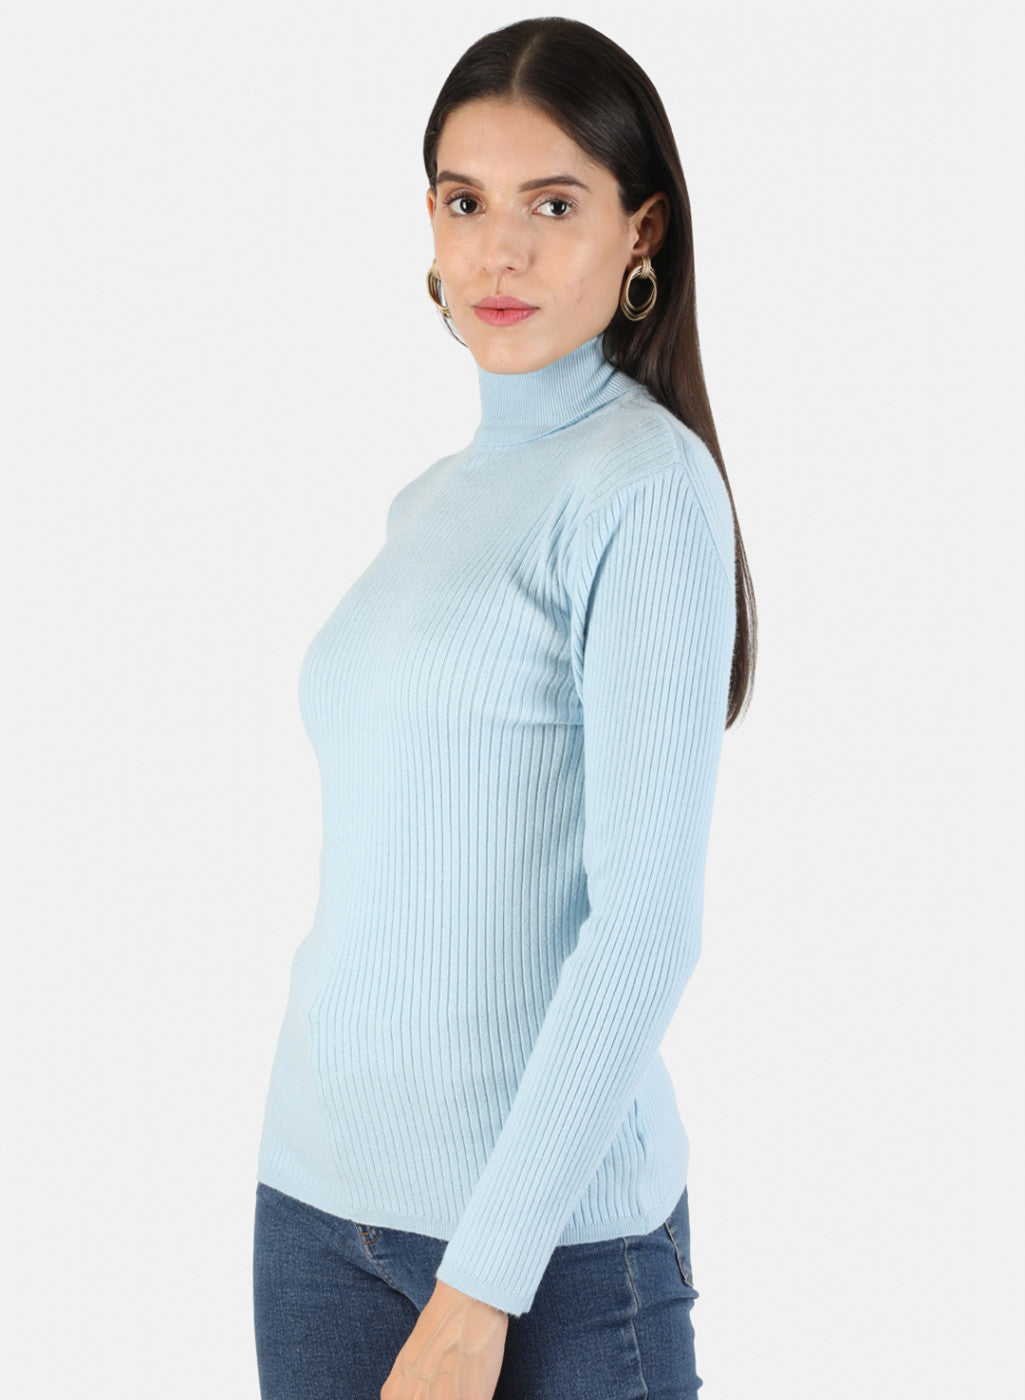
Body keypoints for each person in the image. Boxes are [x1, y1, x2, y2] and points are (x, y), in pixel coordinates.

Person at [252, 15, 756, 1400]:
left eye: (553, 204)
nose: (501, 253)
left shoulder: (646, 489)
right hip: (316, 1204)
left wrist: (480, 1290)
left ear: (641, 229)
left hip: (545, 1259)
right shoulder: (426, 501)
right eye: (466, 203)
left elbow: (644, 927)